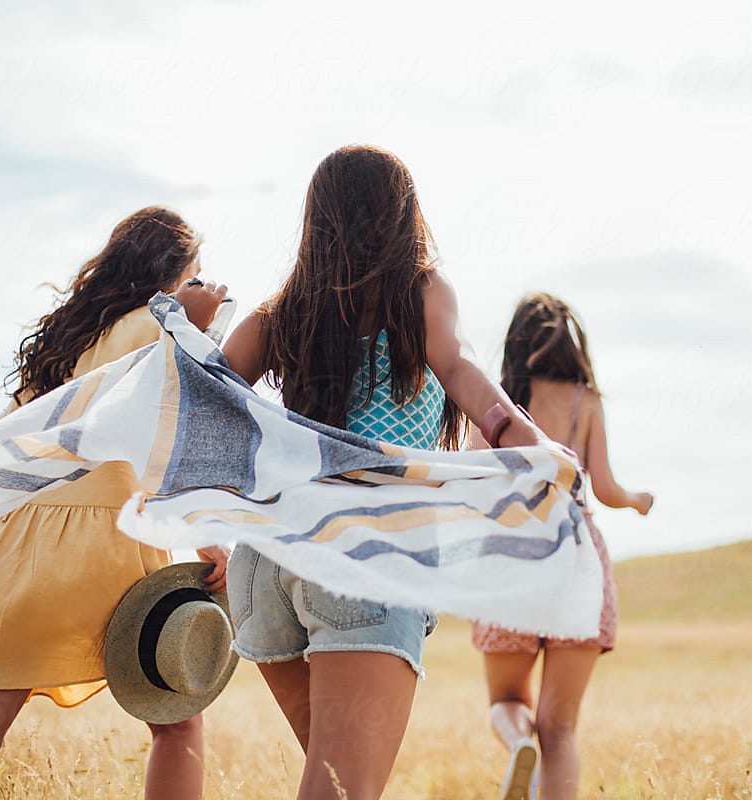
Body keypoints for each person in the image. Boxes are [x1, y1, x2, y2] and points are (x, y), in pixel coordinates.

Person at [221, 144, 559, 800]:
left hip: (265, 561)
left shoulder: (278, 313)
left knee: (342, 783)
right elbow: (461, 371)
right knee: (342, 789)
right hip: (369, 546)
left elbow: (200, 399)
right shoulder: (421, 295)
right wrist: (529, 442)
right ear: (403, 215)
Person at [0, 207, 231, 800]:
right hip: (100, 554)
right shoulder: (157, 328)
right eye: (195, 273)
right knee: (178, 724)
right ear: (174, 275)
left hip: (2, 545)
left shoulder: (65, 344)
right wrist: (197, 318)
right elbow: (177, 435)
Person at [471, 292, 654, 800]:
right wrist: (639, 501)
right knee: (561, 727)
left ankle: (515, 746)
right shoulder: (585, 401)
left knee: (508, 698)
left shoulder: (497, 400)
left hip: (512, 556)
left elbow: (471, 475)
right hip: (575, 556)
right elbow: (609, 490)